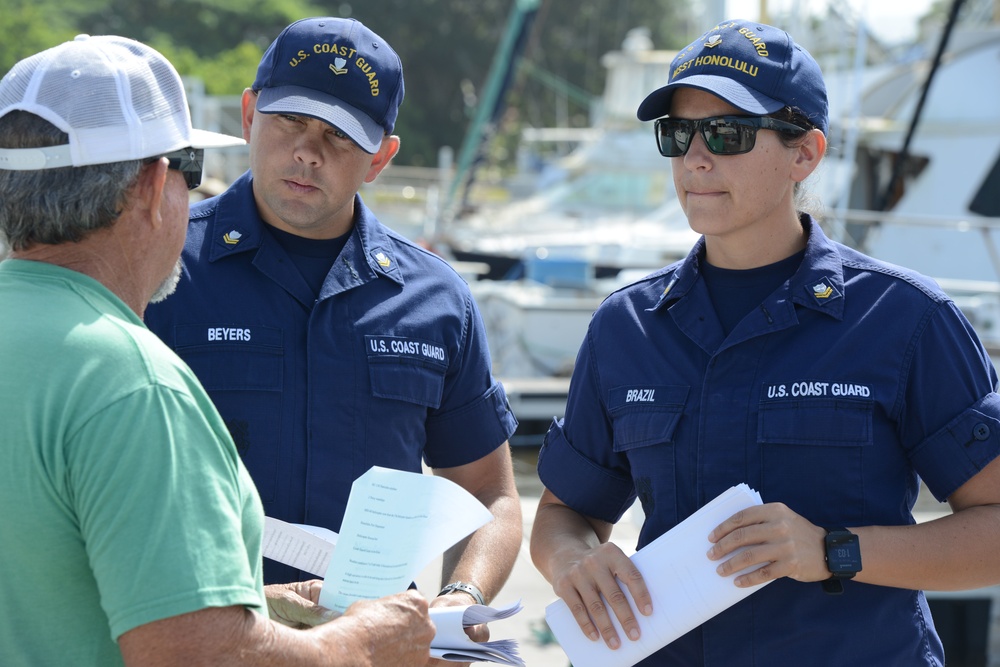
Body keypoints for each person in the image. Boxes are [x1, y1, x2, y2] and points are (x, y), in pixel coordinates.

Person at [529, 18, 1000, 666]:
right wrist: (573, 560)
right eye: (678, 134)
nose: (696, 158)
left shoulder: (906, 319)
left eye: (728, 134)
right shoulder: (625, 325)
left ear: (805, 153)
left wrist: (833, 550)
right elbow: (564, 514)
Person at [0, 34, 435, 666]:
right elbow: (199, 655)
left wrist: (250, 604)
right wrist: (365, 642)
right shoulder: (135, 383)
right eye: (191, 172)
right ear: (154, 187)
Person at [143, 16, 521, 621]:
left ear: (380, 158)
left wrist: (462, 599)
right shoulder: (156, 265)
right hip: (203, 640)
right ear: (249, 115)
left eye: (340, 136)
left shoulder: (437, 300)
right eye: (291, 120)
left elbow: (490, 494)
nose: (307, 152)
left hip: (372, 647)